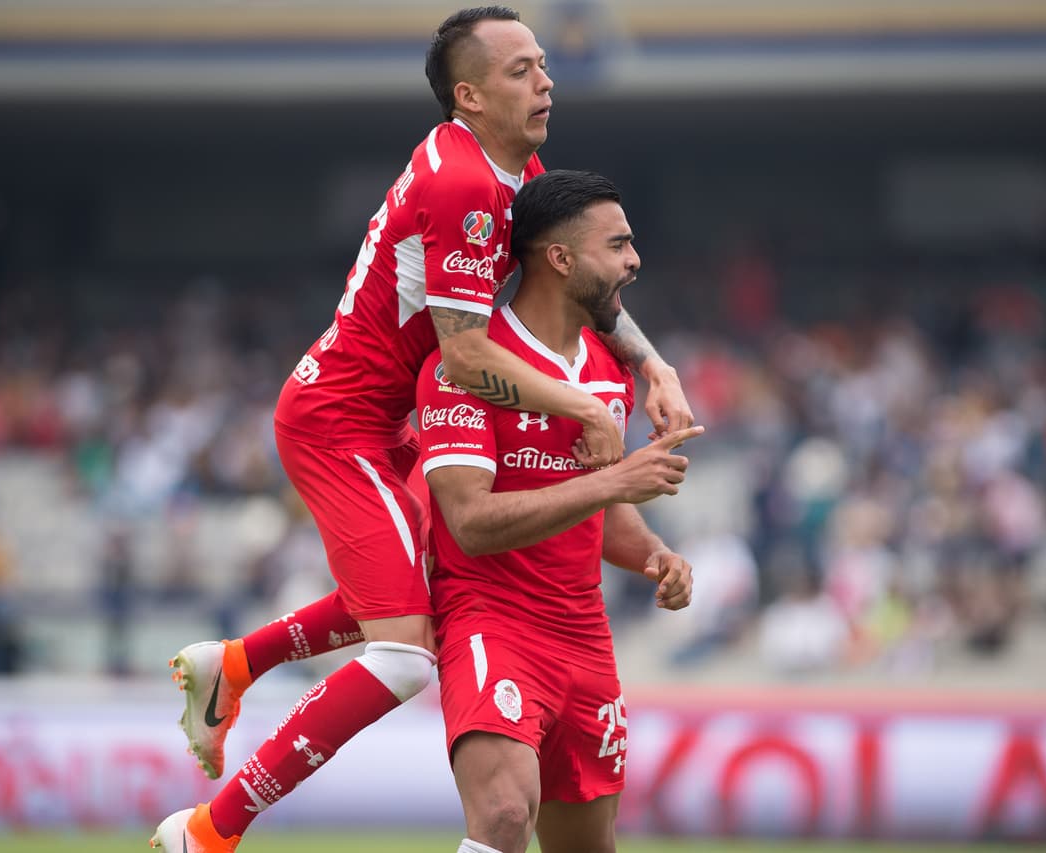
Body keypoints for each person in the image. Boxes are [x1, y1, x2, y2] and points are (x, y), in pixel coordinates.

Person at [150, 7, 691, 852]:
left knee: (429, 584)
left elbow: (581, 279)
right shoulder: (465, 183)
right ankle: (212, 831)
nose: (545, 79)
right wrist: (583, 404)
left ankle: (239, 663)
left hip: (383, 414)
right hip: (340, 420)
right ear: (468, 97)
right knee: (406, 652)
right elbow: (467, 352)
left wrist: (651, 365)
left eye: (543, 64)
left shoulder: (514, 170)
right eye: (521, 70)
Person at [423, 169, 697, 853]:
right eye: (619, 245)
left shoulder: (608, 367)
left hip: (584, 637)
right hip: (490, 620)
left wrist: (653, 554)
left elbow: (596, 508)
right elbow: (470, 523)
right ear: (562, 259)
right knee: (505, 815)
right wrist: (613, 484)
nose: (634, 261)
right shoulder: (468, 366)